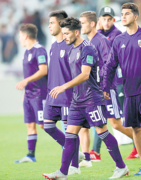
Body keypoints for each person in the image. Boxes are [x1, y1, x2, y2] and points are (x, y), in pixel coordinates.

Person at [42, 17, 128, 180]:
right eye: (63, 33)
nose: (64, 36)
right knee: (69, 136)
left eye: (67, 33)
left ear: (76, 32)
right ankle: (63, 172)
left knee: (103, 133)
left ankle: (121, 167)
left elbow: (85, 74)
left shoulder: (87, 49)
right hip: (76, 101)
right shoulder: (71, 50)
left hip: (91, 100)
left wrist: (63, 87)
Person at [103, 3, 141, 176]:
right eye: (122, 14)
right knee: (136, 128)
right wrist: (106, 86)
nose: (123, 17)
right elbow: (110, 66)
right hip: (129, 91)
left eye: (127, 14)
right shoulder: (118, 40)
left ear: (136, 16)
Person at [79, 10, 134, 165]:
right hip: (94, 91)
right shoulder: (88, 42)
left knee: (115, 124)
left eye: (82, 23)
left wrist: (103, 86)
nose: (80, 26)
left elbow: (109, 65)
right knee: (87, 124)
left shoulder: (101, 40)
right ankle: (88, 157)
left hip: (107, 89)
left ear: (92, 24)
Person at [43, 10, 84, 175]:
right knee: (48, 127)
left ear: (61, 24)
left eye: (52, 23)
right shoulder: (53, 46)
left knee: (70, 132)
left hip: (68, 97)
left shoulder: (71, 47)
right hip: (52, 96)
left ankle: (74, 166)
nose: (49, 26)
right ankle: (77, 153)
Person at [15, 24, 48, 163]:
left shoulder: (39, 50)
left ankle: (70, 147)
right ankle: (30, 155)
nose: (20, 39)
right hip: (28, 95)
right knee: (30, 124)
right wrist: (25, 93)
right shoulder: (26, 52)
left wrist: (25, 81)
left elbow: (43, 70)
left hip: (39, 94)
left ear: (26, 36)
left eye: (20, 36)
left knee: (44, 125)